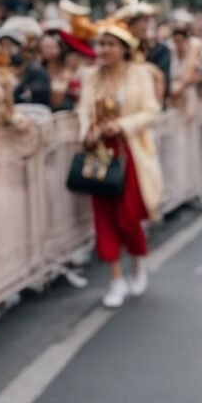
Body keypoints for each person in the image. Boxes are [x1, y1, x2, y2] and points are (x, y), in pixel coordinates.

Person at [78, 20, 162, 308]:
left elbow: (151, 110)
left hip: (130, 153)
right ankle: (115, 279)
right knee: (103, 219)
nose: (104, 49)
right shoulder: (92, 78)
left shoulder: (139, 74)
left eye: (111, 44)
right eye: (101, 44)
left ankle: (138, 262)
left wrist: (122, 126)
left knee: (129, 217)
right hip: (99, 155)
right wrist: (88, 133)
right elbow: (82, 112)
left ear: (125, 49)